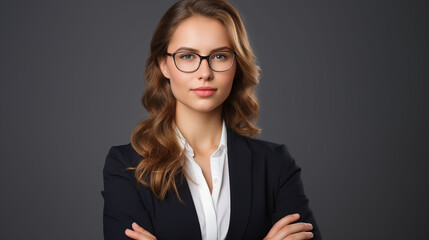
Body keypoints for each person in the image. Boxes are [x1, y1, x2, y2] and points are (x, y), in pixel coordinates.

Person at [102, 0, 322, 239]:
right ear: (164, 65)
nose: (204, 73)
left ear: (236, 64)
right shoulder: (126, 167)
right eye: (187, 56)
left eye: (219, 56)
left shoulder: (275, 165)